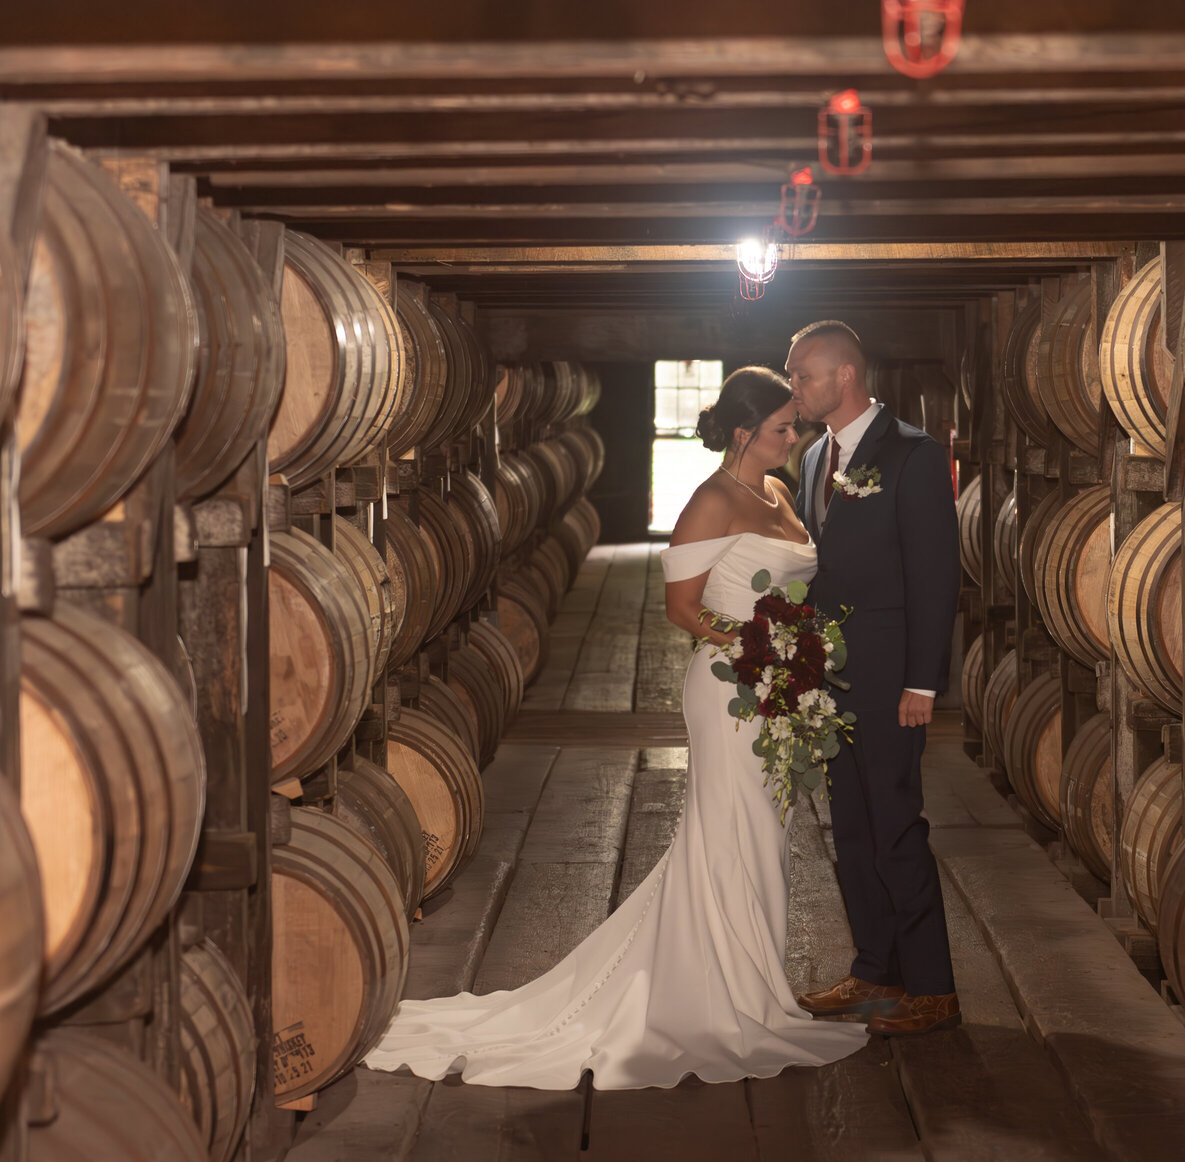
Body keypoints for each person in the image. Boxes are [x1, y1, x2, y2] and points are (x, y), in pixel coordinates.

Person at [362, 366, 868, 1088]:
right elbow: (684, 611)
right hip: (729, 687)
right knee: (732, 830)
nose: (794, 437)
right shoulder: (709, 501)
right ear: (741, 433)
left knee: (767, 834)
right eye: (782, 427)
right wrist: (764, 646)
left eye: (793, 426)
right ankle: (724, 996)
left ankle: (753, 985)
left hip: (776, 687)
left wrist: (792, 655)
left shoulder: (779, 491)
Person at [786, 321, 962, 1037]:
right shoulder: (813, 456)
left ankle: (933, 986)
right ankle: (873, 971)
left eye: (802, 375)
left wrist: (923, 681)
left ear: (846, 376)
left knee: (895, 826)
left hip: (892, 678)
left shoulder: (913, 455)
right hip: (832, 677)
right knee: (850, 830)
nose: (793, 387)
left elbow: (936, 574)